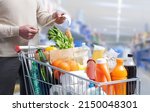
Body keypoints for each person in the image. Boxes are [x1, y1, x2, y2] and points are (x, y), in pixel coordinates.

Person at [0, 0, 66, 95]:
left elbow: (42, 16)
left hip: (31, 55)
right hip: (5, 56)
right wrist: (17, 31)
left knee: (32, 95)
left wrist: (53, 17)